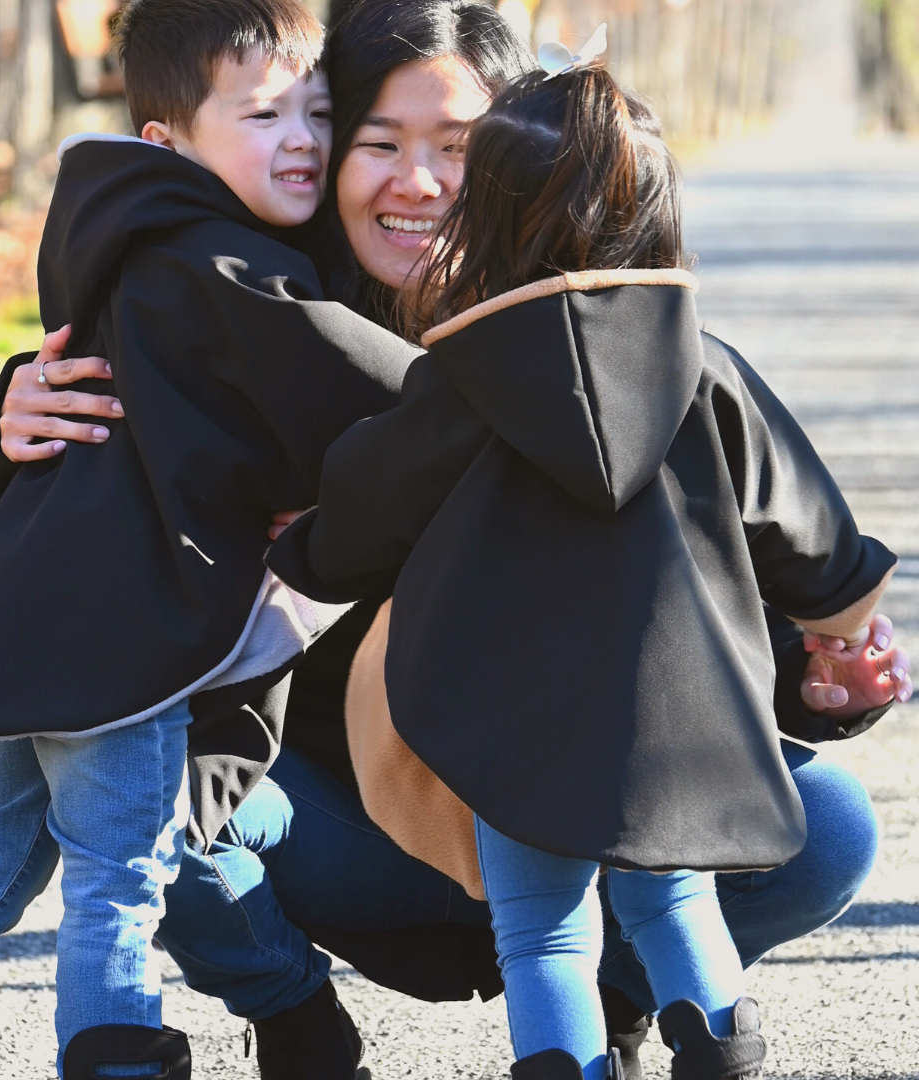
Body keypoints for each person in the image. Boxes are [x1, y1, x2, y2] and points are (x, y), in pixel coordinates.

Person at [0, 2, 911, 1079]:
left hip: (591, 809)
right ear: (319, 139)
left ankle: (615, 1003)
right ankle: (295, 1008)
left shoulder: (618, 348)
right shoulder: (231, 314)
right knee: (147, 800)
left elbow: (704, 617)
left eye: (461, 148)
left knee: (823, 823)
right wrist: (3, 432)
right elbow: (63, 536)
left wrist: (827, 684)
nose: (421, 183)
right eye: (379, 144)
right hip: (340, 827)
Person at [264, 60, 899, 1080]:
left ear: (492, 221)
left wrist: (297, 544)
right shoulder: (707, 369)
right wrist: (842, 617)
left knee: (545, 935)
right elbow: (803, 523)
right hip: (677, 725)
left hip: (508, 734)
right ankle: (722, 1050)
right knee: (674, 899)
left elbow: (359, 525)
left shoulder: (459, 384)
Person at [0, 2, 418, 1078]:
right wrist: (479, 399)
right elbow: (366, 392)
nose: (299, 136)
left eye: (316, 110)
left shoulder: (125, 235)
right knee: (123, 862)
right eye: (260, 114)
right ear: (171, 141)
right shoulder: (224, 264)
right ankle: (113, 1041)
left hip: (27, 617)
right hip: (124, 635)